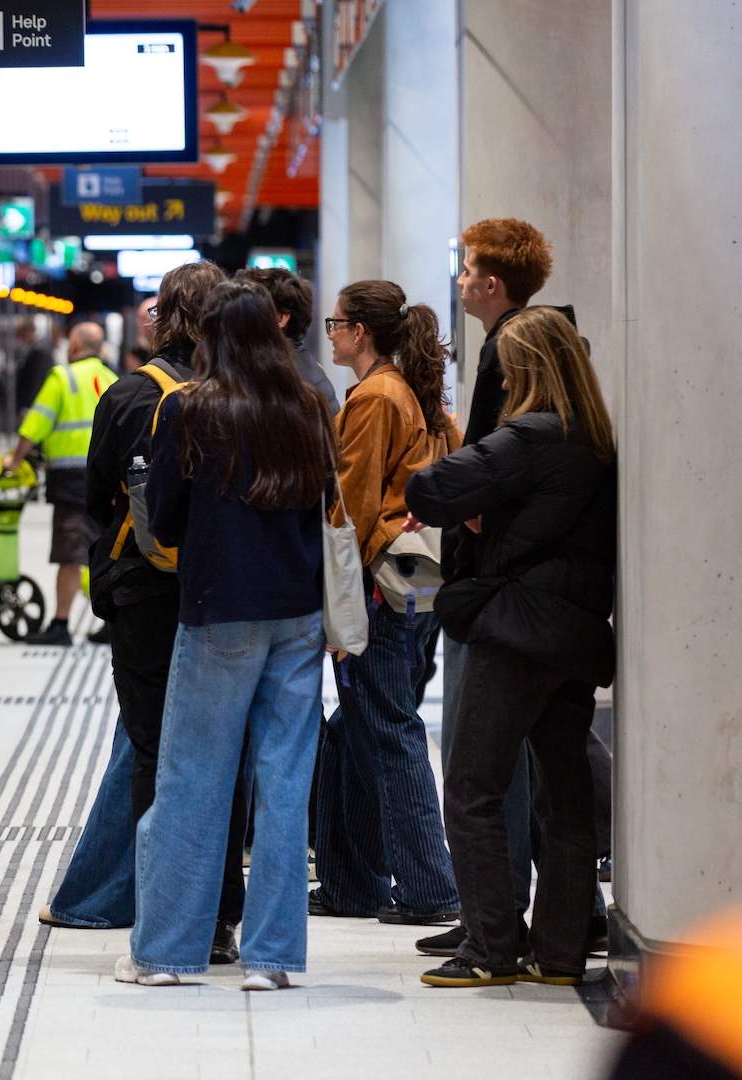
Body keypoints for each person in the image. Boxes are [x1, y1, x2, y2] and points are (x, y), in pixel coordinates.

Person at [121, 283, 336, 991]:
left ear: (212, 338)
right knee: (284, 779)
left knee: (194, 778)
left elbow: (168, 517)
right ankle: (271, 960)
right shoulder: (304, 408)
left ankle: (168, 953)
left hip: (218, 612)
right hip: (298, 612)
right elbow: (322, 506)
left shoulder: (188, 407)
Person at [405, 306, 616, 988]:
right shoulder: (598, 441)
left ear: (524, 369)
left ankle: (491, 946)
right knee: (565, 793)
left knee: (471, 789)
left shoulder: (528, 436)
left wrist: (478, 509)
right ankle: (559, 954)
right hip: (578, 634)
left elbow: (430, 486)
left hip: (517, 630)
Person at [59, 260, 248, 956]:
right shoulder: (243, 394)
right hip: (221, 597)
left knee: (152, 752)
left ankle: (162, 911)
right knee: (224, 756)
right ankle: (223, 917)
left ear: (162, 316)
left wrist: (104, 579)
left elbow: (99, 493)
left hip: (142, 593)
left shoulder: (133, 395)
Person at [308, 281, 463, 924]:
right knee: (357, 727)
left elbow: (351, 506)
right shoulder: (420, 394)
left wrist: (334, 607)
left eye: (337, 323)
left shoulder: (375, 397)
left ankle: (429, 887)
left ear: (360, 333)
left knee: (390, 728)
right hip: (417, 581)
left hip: (377, 586)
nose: (332, 333)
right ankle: (352, 881)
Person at [3, 321, 117, 646]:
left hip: (69, 482)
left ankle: (61, 624)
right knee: (104, 551)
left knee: (69, 553)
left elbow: (36, 423)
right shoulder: (112, 378)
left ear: (76, 345)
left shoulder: (62, 377)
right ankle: (111, 622)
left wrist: (15, 459)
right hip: (105, 482)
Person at [236, 267, 339, 415]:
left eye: (247, 307)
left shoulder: (280, 379)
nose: (235, 316)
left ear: (280, 318)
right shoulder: (302, 365)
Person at [12, 319, 53, 414]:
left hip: (33, 404)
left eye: (21, 334)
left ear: (30, 332)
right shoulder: (35, 349)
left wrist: (29, 406)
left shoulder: (39, 352)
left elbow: (36, 380)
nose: (20, 339)